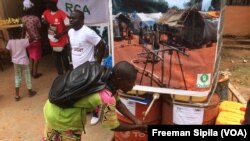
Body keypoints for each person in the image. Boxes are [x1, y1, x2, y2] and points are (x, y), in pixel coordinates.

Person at [43, 61, 147, 141]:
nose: (133, 85)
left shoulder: (105, 75)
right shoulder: (106, 97)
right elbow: (113, 125)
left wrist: (135, 120)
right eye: (130, 82)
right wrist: (137, 127)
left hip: (51, 108)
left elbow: (118, 101)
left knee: (51, 137)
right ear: (119, 79)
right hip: (65, 120)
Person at [68, 10, 106, 125]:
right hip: (76, 69)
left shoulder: (88, 32)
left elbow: (102, 45)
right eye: (70, 17)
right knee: (80, 90)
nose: (70, 20)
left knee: (92, 92)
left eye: (74, 18)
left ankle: (96, 112)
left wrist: (97, 63)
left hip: (88, 69)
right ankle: (85, 109)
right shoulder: (70, 32)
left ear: (82, 20)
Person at [42, 0, 71, 75]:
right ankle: (60, 76)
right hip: (53, 41)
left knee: (65, 61)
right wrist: (44, 22)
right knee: (57, 61)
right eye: (46, 4)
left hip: (63, 41)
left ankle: (68, 75)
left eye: (49, 3)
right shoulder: (46, 13)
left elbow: (69, 27)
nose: (47, 5)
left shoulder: (62, 14)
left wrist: (60, 35)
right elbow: (44, 21)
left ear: (54, 4)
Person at [6, 31, 36, 101]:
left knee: (17, 76)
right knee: (27, 75)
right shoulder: (23, 41)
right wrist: (27, 30)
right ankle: (30, 92)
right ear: (20, 34)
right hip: (24, 61)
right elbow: (33, 37)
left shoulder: (10, 42)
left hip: (15, 62)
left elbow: (8, 50)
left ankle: (17, 95)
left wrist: (12, 57)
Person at [22, 0, 43, 79]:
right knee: (37, 57)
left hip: (28, 41)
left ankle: (31, 71)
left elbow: (23, 30)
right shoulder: (36, 18)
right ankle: (35, 73)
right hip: (36, 39)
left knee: (31, 56)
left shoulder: (23, 19)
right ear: (32, 9)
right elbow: (39, 28)